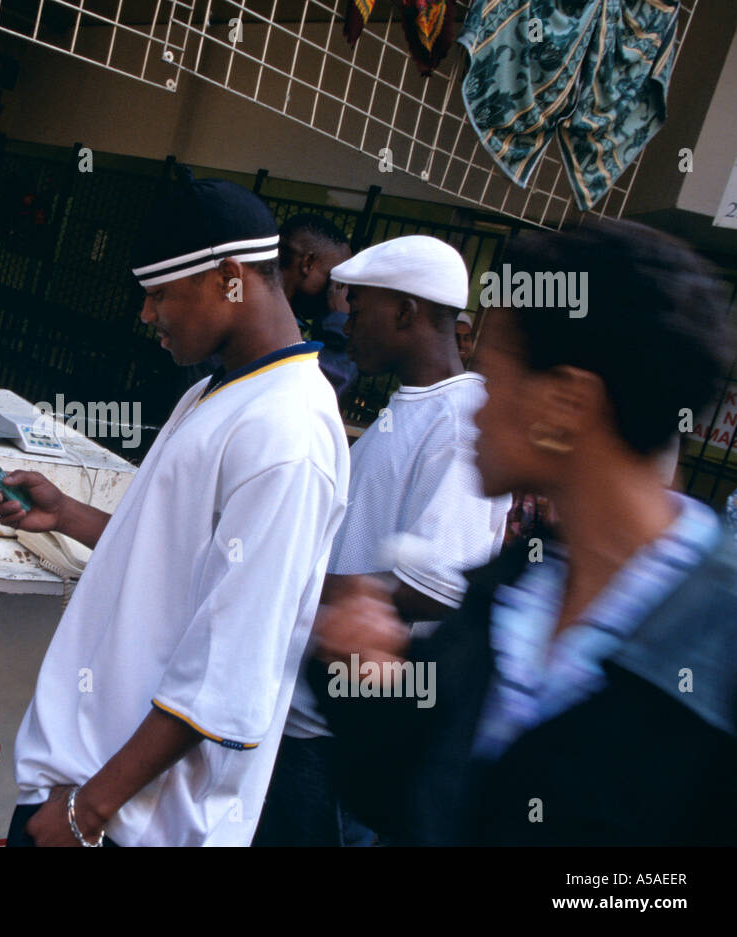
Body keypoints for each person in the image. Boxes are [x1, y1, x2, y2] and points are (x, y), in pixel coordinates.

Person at [308, 219, 737, 845]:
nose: (477, 403)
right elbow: (415, 802)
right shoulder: (509, 597)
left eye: (494, 375)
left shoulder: (716, 645)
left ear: (565, 404)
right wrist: (359, 681)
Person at [0, 172, 350, 846]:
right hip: (87, 796)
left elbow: (227, 666)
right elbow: (182, 563)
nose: (146, 315)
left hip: (128, 823)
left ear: (230, 277)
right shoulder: (218, 391)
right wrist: (67, 513)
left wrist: (86, 813)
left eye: (159, 295)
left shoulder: (287, 432)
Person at [255, 235, 509, 846]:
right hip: (304, 720)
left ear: (406, 312)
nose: (350, 321)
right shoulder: (415, 409)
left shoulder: (461, 421)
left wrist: (289, 577)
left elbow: (436, 587)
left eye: (361, 306)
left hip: (338, 738)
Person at [280, 214, 358, 398]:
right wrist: (339, 323)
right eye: (336, 280)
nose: (338, 292)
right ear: (307, 264)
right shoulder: (263, 320)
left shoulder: (276, 317)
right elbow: (322, 389)